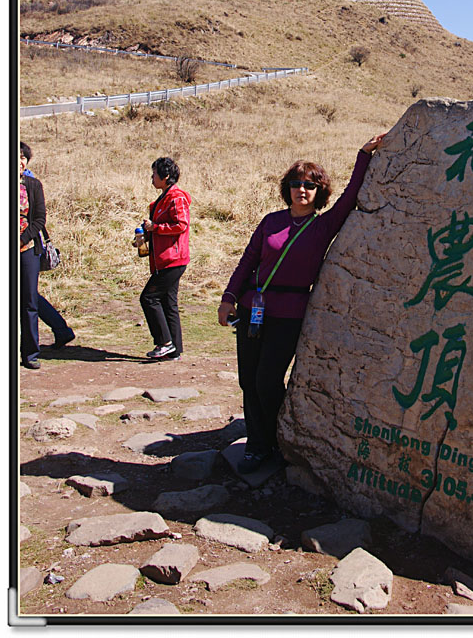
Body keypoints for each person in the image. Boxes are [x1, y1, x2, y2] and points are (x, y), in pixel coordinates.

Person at [218, 133, 387, 473]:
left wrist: (363, 154)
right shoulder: (270, 222)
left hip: (289, 315)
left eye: (310, 186)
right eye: (296, 184)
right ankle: (256, 444)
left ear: (319, 192)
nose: (302, 190)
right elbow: (247, 262)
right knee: (247, 381)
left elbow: (351, 196)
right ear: (288, 188)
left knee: (268, 380)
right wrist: (228, 298)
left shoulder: (323, 226)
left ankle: (283, 439)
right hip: (254, 311)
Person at [19, 142, 75, 369]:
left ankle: (31, 354)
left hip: (27, 249)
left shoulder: (32, 185)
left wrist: (21, 240)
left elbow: (39, 219)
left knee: (30, 301)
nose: (20, 161)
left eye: (23, 157)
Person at [139, 157, 191, 361]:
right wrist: (146, 236)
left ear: (166, 176)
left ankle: (164, 342)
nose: (152, 178)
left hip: (173, 259)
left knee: (149, 298)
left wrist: (156, 228)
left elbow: (181, 225)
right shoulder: (162, 198)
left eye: (154, 174)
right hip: (164, 258)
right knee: (169, 302)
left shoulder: (176, 197)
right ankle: (174, 349)